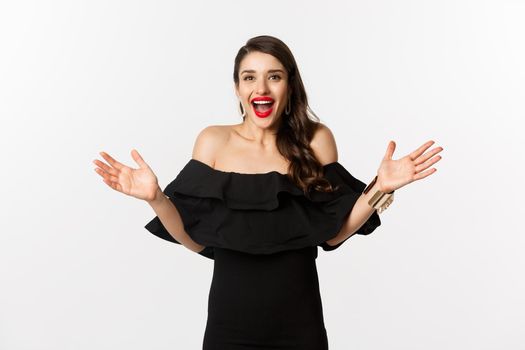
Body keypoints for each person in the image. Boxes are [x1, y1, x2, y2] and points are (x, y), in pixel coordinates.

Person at [93, 35, 443, 349]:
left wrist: (379, 188)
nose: (261, 87)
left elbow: (333, 234)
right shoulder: (213, 141)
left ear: (289, 85)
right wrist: (156, 198)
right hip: (228, 329)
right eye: (249, 77)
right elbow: (196, 240)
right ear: (237, 88)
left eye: (274, 76)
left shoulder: (316, 141)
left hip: (300, 328)